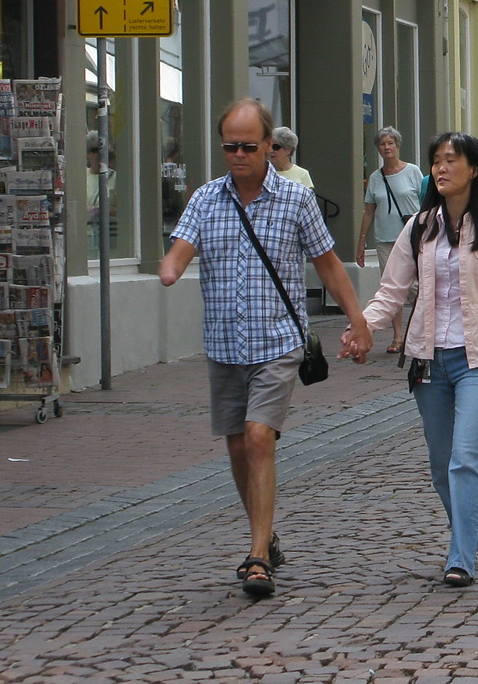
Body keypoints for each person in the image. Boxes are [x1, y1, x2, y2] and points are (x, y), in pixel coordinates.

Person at [160, 99, 373, 599]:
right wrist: (170, 267)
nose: (237, 155)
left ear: (269, 146)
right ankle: (266, 533)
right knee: (237, 445)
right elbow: (179, 251)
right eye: (229, 146)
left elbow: (329, 264)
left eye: (248, 146)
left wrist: (358, 320)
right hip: (224, 345)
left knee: (258, 438)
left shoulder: (295, 199)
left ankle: (257, 557)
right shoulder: (206, 200)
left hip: (278, 342)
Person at [353, 132, 478, 588]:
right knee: (442, 464)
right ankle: (472, 528)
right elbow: (391, 292)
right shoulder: (420, 227)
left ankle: (460, 555)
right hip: (427, 361)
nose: (441, 169)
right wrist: (362, 328)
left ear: (474, 170)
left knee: (465, 458)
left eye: (451, 160)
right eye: (436, 161)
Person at [357, 127, 426, 352]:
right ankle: (397, 337)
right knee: (392, 288)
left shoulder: (413, 172)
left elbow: (425, 203)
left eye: (390, 143)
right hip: (385, 240)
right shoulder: (376, 178)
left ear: (398, 146)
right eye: (382, 144)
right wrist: (361, 241)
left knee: (419, 287)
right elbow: (369, 211)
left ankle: (420, 332)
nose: (386, 147)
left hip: (411, 237)